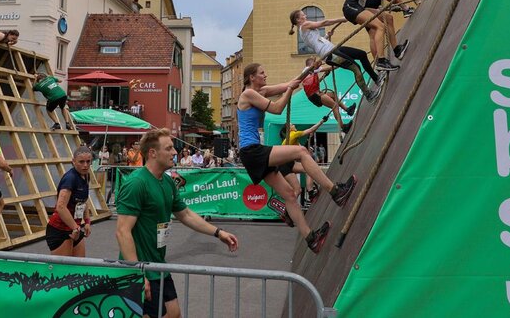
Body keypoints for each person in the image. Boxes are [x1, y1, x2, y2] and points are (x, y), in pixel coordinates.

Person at [116, 129, 239, 318]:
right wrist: (137, 273)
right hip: (142, 269)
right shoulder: (136, 184)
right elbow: (123, 231)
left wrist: (218, 232)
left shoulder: (167, 181)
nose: (175, 152)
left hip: (159, 266)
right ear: (152, 153)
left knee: (174, 314)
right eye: (169, 148)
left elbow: (186, 214)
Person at [236, 63, 356, 253]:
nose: (265, 75)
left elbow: (291, 83)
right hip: (252, 150)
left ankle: (311, 238)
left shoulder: (262, 91)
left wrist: (314, 70)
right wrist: (289, 91)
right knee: (301, 152)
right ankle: (335, 192)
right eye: (262, 73)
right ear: (252, 77)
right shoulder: (248, 94)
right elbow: (276, 109)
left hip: (252, 153)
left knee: (290, 195)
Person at [290, 10, 381, 101]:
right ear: (298, 19)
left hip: (333, 50)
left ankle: (376, 78)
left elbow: (315, 42)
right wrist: (342, 19)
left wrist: (326, 36)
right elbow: (325, 22)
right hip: (330, 54)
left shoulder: (303, 32)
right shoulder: (304, 25)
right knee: (356, 68)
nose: (305, 16)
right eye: (303, 15)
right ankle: (368, 94)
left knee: (362, 54)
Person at [341, 0, 407, 71]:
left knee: (388, 18)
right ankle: (381, 61)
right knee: (380, 27)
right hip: (351, 7)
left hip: (360, 7)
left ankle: (397, 50)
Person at [46, 145, 93, 256]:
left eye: (88, 162)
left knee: (79, 268)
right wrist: (75, 227)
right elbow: (61, 207)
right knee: (63, 271)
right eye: (81, 162)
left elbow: (83, 201)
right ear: (73, 161)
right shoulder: (70, 178)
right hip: (60, 229)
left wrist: (87, 221)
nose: (85, 165)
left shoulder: (86, 175)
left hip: (74, 228)